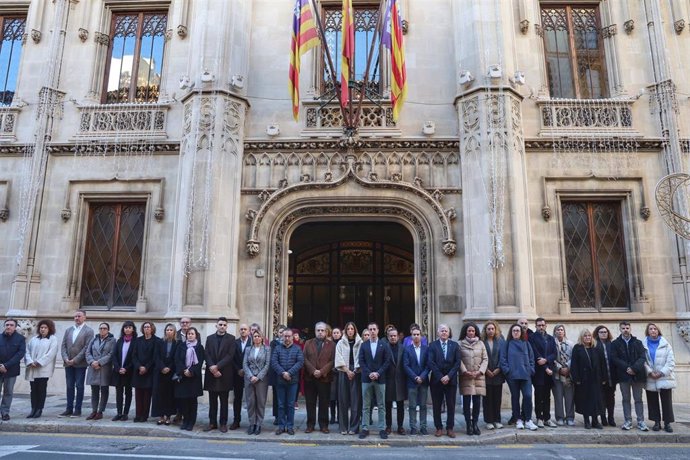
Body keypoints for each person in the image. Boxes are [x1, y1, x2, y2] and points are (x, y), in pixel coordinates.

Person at [611, 321, 649, 431]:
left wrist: (634, 368)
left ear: (630, 329)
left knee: (638, 399)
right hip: (623, 376)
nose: (625, 330)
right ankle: (627, 421)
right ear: (620, 329)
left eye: (627, 328)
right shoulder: (615, 343)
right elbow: (614, 358)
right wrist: (627, 368)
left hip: (637, 375)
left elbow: (642, 357)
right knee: (626, 399)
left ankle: (641, 421)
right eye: (623, 328)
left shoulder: (638, 342)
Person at [501, 323, 538, 431]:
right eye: (514, 331)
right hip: (512, 376)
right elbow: (503, 359)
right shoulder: (507, 344)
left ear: (521, 332)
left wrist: (531, 370)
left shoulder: (526, 344)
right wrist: (507, 371)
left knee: (527, 396)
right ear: (511, 333)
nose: (516, 332)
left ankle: (528, 420)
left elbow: (532, 358)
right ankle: (518, 419)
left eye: (518, 330)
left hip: (526, 375)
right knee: (515, 398)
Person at [358, 322, 391, 440]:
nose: (372, 331)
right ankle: (365, 428)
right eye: (370, 329)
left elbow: (387, 361)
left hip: (380, 379)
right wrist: (369, 373)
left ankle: (382, 428)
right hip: (366, 379)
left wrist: (378, 373)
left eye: (374, 329)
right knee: (366, 405)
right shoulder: (364, 345)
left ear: (378, 331)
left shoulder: (384, 345)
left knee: (381, 405)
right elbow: (361, 361)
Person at [203, 317, 237, 433]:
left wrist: (217, 367)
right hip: (211, 374)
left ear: (226, 327)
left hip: (224, 374)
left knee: (224, 401)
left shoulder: (231, 339)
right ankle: (212, 423)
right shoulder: (209, 338)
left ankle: (223, 423)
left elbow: (230, 355)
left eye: (224, 325)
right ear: (216, 325)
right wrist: (212, 367)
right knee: (212, 401)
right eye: (220, 324)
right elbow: (206, 354)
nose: (222, 326)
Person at [428, 323, 461, 438]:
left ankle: (450, 428)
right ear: (438, 333)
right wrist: (441, 376)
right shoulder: (432, 346)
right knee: (437, 405)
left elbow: (457, 363)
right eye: (442, 331)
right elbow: (431, 362)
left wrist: (448, 376)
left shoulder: (455, 345)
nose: (444, 333)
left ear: (449, 332)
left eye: (446, 331)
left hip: (451, 381)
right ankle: (438, 428)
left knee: (451, 405)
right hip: (437, 381)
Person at [60, 310, 94, 417]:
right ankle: (68, 409)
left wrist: (75, 360)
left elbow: (87, 347)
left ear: (84, 317)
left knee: (79, 386)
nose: (77, 318)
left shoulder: (89, 331)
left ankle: (77, 410)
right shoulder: (69, 330)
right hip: (68, 363)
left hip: (80, 364)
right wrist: (66, 358)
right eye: (75, 316)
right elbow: (63, 345)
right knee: (69, 386)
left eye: (79, 316)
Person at [303, 321, 336, 434]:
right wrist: (313, 371)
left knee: (324, 402)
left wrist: (321, 372)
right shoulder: (308, 343)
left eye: (322, 330)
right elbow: (305, 359)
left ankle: (323, 425)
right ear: (315, 331)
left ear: (326, 332)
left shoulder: (332, 345)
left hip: (324, 378)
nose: (320, 332)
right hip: (310, 378)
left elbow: (332, 361)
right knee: (310, 402)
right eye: (318, 330)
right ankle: (310, 424)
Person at [642, 323, 676, 432]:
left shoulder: (666, 344)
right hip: (651, 377)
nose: (653, 331)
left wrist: (661, 373)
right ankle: (656, 422)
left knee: (666, 401)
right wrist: (650, 372)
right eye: (650, 329)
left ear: (658, 330)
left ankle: (667, 423)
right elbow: (643, 361)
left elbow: (671, 362)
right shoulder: (643, 345)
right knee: (652, 400)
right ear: (648, 331)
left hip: (664, 377)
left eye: (655, 329)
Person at [271, 327, 304, 435]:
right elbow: (274, 362)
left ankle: (290, 426)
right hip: (280, 381)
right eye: (285, 336)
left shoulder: (298, 348)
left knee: (290, 404)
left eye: (289, 336)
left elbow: (300, 362)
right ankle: (281, 426)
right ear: (282, 336)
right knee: (280, 405)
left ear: (292, 337)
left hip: (293, 381)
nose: (287, 338)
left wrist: (289, 373)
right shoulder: (277, 348)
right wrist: (283, 373)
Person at [24, 319, 58, 419]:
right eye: (41, 327)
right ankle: (33, 408)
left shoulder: (52, 339)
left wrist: (39, 362)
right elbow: (27, 351)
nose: (43, 329)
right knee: (33, 389)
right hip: (32, 368)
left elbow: (51, 353)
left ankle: (39, 409)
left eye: (45, 328)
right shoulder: (34, 339)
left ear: (49, 329)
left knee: (41, 389)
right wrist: (30, 361)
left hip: (43, 369)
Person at [570, 329, 603, 429]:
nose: (587, 337)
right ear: (581, 337)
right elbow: (574, 364)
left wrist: (603, 377)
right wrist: (576, 378)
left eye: (589, 336)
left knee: (595, 400)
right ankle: (586, 420)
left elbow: (602, 364)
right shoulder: (577, 348)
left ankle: (595, 421)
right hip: (583, 379)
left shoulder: (596, 348)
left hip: (595, 379)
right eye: (585, 336)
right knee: (585, 400)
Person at [459, 322, 488, 436]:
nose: (471, 333)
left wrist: (480, 371)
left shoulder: (481, 344)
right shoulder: (460, 344)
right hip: (466, 376)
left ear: (475, 332)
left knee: (476, 402)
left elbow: (485, 359)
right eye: (469, 331)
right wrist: (464, 371)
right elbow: (458, 359)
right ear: (465, 332)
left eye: (472, 331)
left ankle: (475, 424)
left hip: (478, 376)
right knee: (466, 402)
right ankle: (468, 425)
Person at [335, 321, 362, 435]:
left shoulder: (360, 342)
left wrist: (354, 371)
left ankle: (354, 427)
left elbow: (361, 357)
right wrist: (347, 371)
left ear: (355, 330)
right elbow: (338, 357)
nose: (350, 331)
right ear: (345, 331)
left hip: (356, 372)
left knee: (356, 401)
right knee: (343, 400)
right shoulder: (340, 343)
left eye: (352, 329)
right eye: (348, 329)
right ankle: (343, 427)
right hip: (343, 371)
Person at [529, 317, 557, 428]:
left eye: (543, 325)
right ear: (535, 326)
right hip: (539, 372)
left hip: (549, 372)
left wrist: (546, 361)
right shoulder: (532, 338)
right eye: (539, 325)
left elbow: (554, 353)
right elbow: (535, 353)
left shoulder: (551, 338)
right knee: (538, 395)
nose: (541, 327)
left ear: (546, 326)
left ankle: (547, 418)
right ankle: (539, 418)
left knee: (547, 396)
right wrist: (545, 367)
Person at [175, 327, 205, 431]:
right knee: (184, 401)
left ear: (196, 335)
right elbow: (177, 360)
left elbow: (200, 362)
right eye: (188, 334)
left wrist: (191, 371)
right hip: (183, 377)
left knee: (192, 401)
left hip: (193, 378)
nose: (190, 335)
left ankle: (191, 421)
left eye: (192, 334)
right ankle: (185, 420)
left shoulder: (199, 347)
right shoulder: (181, 346)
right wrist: (184, 370)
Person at [85, 322, 115, 420]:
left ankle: (100, 411)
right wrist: (92, 362)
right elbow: (87, 352)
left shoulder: (112, 340)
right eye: (100, 328)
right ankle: (94, 411)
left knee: (104, 390)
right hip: (93, 368)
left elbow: (111, 354)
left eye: (104, 328)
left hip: (104, 368)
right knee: (94, 390)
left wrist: (99, 362)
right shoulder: (93, 339)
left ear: (108, 330)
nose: (102, 330)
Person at [243, 329, 271, 435]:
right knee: (251, 402)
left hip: (261, 380)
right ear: (252, 338)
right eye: (255, 336)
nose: (257, 338)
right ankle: (252, 424)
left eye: (259, 336)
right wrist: (251, 376)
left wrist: (258, 377)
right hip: (249, 379)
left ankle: (258, 424)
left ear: (262, 338)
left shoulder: (267, 349)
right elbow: (245, 364)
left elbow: (267, 365)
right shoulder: (248, 349)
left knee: (260, 402)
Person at [403, 325, 429, 435]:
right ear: (411, 336)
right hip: (412, 382)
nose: (416, 336)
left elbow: (429, 365)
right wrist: (415, 377)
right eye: (414, 335)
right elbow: (406, 365)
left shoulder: (426, 349)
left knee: (423, 405)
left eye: (418, 334)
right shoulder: (407, 349)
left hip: (423, 381)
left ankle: (423, 427)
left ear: (421, 336)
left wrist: (422, 377)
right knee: (412, 406)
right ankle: (413, 427)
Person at [132, 321, 159, 422]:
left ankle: (144, 415)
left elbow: (155, 357)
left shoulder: (156, 341)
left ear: (152, 328)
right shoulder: (138, 340)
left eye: (148, 327)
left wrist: (146, 367)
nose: (146, 329)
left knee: (147, 395)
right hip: (138, 371)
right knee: (138, 394)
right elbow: (134, 355)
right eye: (145, 327)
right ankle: (138, 414)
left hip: (149, 371)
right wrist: (139, 367)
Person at [0, 318, 26, 421]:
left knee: (8, 392)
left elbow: (20, 354)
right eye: (7, 325)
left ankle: (5, 412)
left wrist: (6, 366)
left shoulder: (20, 339)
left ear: (15, 327)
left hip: (11, 370)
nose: (8, 327)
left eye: (11, 325)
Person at [481, 321, 505, 430]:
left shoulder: (501, 341)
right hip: (486, 374)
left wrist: (499, 368)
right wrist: (485, 370)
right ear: (485, 330)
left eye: (492, 329)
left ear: (496, 330)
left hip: (498, 374)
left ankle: (497, 420)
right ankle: (489, 420)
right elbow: (479, 357)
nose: (490, 331)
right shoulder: (482, 342)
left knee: (497, 398)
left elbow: (503, 356)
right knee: (487, 399)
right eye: (488, 329)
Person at [153, 323, 178, 425]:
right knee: (160, 395)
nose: (169, 332)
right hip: (160, 372)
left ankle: (168, 416)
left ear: (174, 332)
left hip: (171, 373)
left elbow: (176, 357)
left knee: (169, 395)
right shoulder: (159, 342)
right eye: (167, 330)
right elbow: (156, 356)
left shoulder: (177, 343)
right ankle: (161, 416)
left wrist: (169, 367)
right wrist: (162, 367)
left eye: (171, 330)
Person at [111, 321, 136, 421]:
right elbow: (114, 355)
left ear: (133, 329)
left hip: (129, 372)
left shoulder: (135, 341)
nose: (127, 329)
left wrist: (126, 368)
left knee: (128, 392)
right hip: (118, 371)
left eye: (129, 327)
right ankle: (119, 413)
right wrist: (118, 368)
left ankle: (125, 413)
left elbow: (134, 357)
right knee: (119, 392)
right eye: (125, 327)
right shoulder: (120, 340)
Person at [385, 327, 408, 435]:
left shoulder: (403, 348)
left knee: (400, 406)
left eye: (395, 336)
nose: (393, 337)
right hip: (388, 381)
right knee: (387, 406)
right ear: (388, 337)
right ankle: (388, 426)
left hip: (400, 381)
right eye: (391, 336)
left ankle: (400, 427)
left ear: (398, 337)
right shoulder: (384, 347)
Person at [552, 324, 575, 426]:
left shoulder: (571, 344)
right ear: (554, 332)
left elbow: (573, 358)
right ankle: (560, 417)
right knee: (558, 397)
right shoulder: (551, 344)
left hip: (568, 374)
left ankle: (570, 417)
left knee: (569, 397)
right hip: (557, 374)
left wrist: (567, 367)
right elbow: (551, 358)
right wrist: (559, 368)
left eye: (561, 330)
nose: (560, 331)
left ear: (564, 332)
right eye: (557, 330)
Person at [593, 325, 616, 427]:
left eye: (605, 332)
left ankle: (611, 417)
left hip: (611, 377)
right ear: (597, 334)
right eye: (601, 332)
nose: (604, 334)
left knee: (611, 398)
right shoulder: (595, 345)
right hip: (600, 377)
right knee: (601, 398)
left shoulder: (611, 344)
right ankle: (603, 417)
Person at [232, 323, 251, 430]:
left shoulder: (253, 342)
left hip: (249, 375)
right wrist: (238, 369)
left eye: (245, 329)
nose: (243, 331)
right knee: (237, 399)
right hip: (237, 374)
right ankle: (236, 420)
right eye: (241, 329)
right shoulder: (235, 343)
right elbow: (232, 358)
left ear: (249, 331)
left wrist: (246, 370)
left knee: (251, 399)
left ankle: (252, 422)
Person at [269, 324, 287, 425]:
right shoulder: (273, 343)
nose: (281, 335)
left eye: (283, 333)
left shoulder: (288, 343)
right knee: (277, 397)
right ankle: (277, 416)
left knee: (286, 397)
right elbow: (273, 358)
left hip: (287, 374)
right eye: (280, 332)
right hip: (276, 374)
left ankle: (285, 415)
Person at [329, 326, 342, 425]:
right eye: (334, 333)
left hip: (341, 373)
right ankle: (333, 416)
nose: (336, 334)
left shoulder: (343, 344)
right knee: (332, 398)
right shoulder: (329, 344)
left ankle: (340, 417)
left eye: (337, 332)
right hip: (332, 375)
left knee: (340, 398)